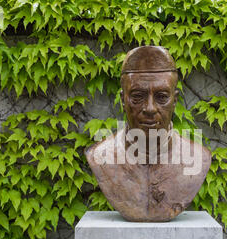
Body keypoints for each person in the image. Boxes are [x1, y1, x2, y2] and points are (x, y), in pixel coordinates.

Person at [85, 46, 211, 222]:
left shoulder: (199, 157)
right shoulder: (99, 155)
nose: (150, 108)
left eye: (161, 97)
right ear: (123, 100)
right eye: (138, 96)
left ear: (175, 100)